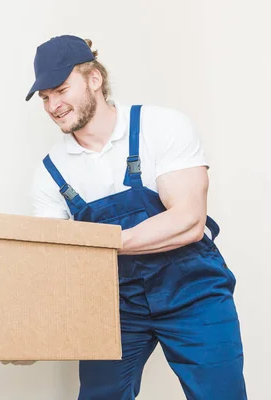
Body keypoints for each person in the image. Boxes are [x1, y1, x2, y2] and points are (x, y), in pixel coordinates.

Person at [22, 35, 247, 399]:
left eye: (61, 90)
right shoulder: (50, 172)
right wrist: (27, 329)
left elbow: (188, 220)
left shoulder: (162, 126)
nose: (53, 105)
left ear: (94, 79)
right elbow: (56, 262)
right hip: (115, 304)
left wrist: (97, 244)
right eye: (45, 98)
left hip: (193, 292)